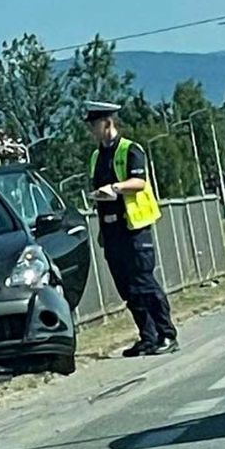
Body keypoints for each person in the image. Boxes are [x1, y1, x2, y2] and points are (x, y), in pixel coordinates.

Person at [85, 101, 179, 357]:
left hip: (134, 229)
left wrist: (114, 188)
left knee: (144, 283)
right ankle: (147, 337)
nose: (91, 131)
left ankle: (166, 334)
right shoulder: (96, 156)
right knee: (127, 288)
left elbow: (139, 181)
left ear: (107, 122)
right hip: (111, 232)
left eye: (93, 125)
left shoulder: (130, 150)